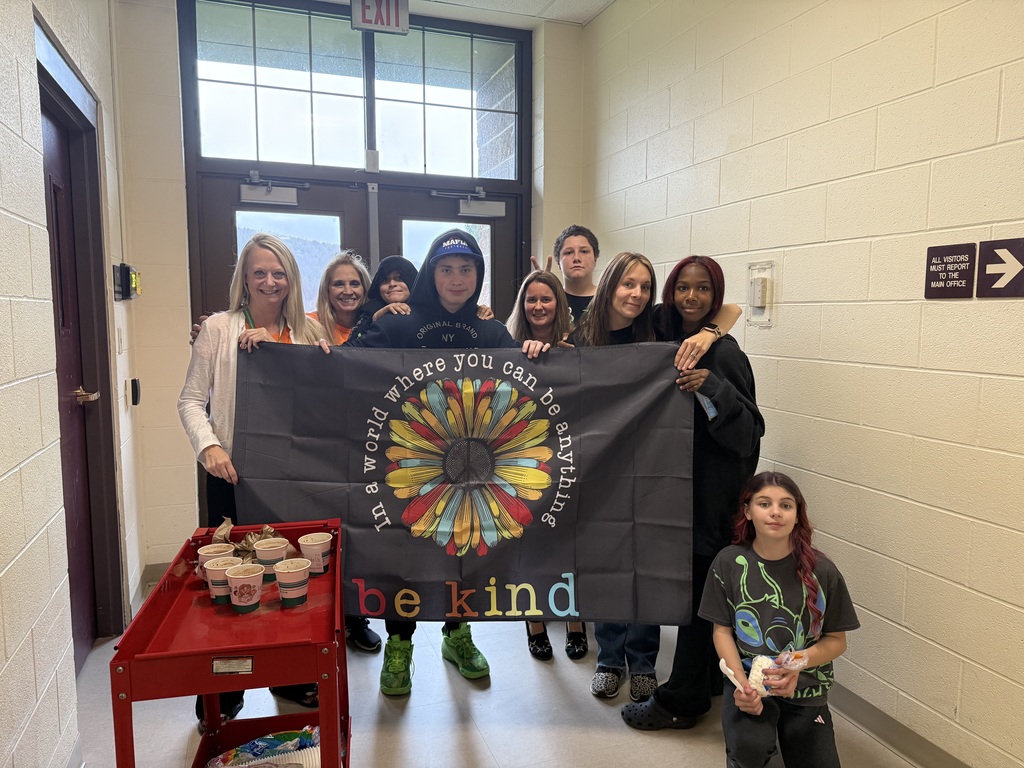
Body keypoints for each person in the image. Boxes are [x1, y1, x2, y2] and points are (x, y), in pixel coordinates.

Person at [346, 229, 548, 696]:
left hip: (474, 471)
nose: (457, 279)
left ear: (478, 276)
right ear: (431, 274)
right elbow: (343, 367)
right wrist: (370, 318)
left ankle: (458, 635)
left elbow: (527, 382)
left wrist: (538, 352)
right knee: (407, 555)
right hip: (407, 466)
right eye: (446, 269)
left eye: (467, 269)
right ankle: (400, 646)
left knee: (466, 551)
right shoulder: (399, 322)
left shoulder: (491, 331)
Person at [178, 233, 326, 731]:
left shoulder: (306, 331)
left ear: (291, 278)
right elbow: (190, 400)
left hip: (290, 481)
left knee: (289, 580)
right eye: (259, 272)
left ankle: (285, 677)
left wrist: (292, 354)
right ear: (244, 278)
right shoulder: (218, 329)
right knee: (229, 586)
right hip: (232, 477)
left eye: (278, 272)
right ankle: (221, 691)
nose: (269, 281)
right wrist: (209, 446)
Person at [621, 255, 765, 729]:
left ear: (714, 295)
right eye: (683, 287)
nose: (692, 298)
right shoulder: (664, 331)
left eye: (703, 289)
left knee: (700, 598)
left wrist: (712, 388)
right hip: (670, 493)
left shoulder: (724, 356)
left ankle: (682, 699)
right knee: (696, 595)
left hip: (710, 499)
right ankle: (707, 678)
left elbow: (749, 434)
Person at [702, 471, 859, 767]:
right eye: (764, 503)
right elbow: (721, 631)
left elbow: (837, 641)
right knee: (749, 749)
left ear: (798, 515)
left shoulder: (823, 571)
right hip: (748, 680)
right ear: (747, 511)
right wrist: (741, 685)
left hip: (808, 685)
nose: (775, 512)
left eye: (786, 505)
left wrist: (795, 664)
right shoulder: (728, 563)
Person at [567, 251, 663, 702]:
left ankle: (643, 661)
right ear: (609, 285)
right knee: (603, 561)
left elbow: (728, 311)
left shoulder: (657, 330)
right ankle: (609, 658)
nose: (637, 294)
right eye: (629, 284)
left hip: (648, 466)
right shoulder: (579, 336)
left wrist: (707, 334)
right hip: (596, 467)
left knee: (646, 563)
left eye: (645, 286)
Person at [505, 271, 587, 661]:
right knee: (530, 542)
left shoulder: (578, 346)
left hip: (569, 456)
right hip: (522, 459)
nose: (539, 306)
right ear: (523, 305)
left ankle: (575, 619)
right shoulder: (506, 345)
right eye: (531, 299)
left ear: (559, 303)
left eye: (547, 299)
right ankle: (534, 623)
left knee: (569, 542)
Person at [310, 250, 371, 345]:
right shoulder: (308, 325)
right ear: (327, 290)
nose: (348, 291)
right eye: (339, 284)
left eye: (354, 284)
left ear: (365, 289)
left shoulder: (375, 327)